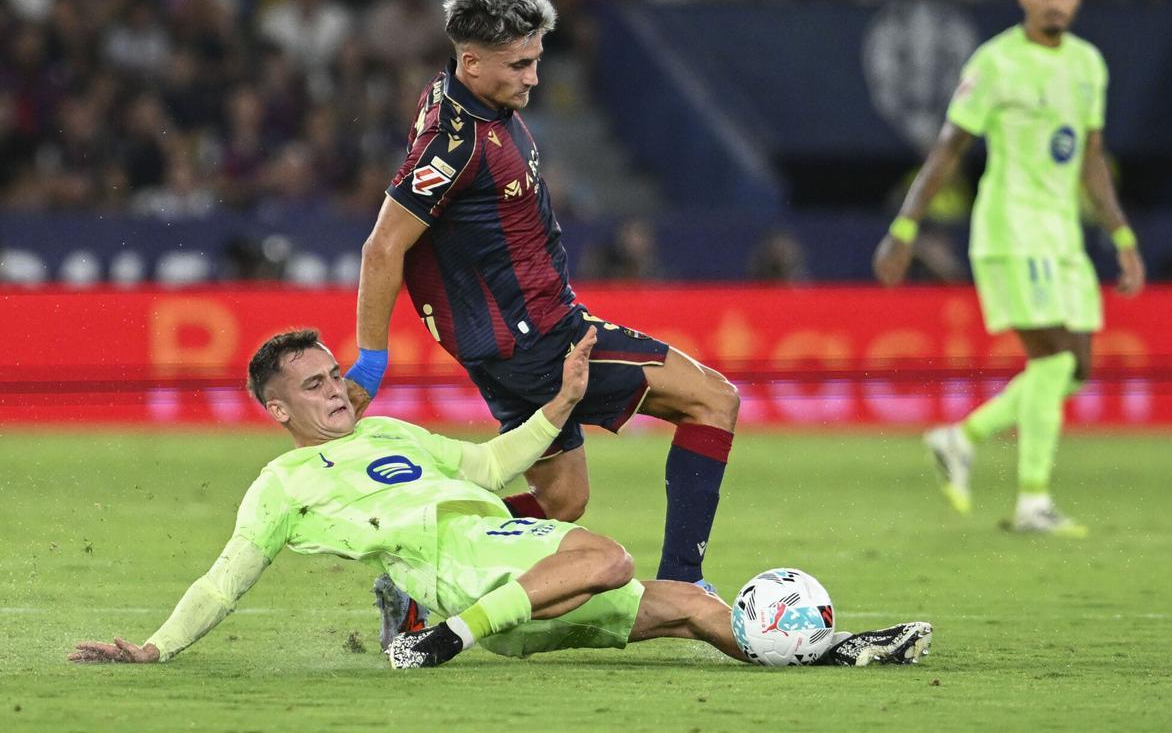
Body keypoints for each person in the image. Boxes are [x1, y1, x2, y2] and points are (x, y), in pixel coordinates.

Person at [69, 327, 933, 669]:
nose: (336, 391)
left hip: (511, 577)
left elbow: (486, 467)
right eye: (315, 385)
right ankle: (442, 638)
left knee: (690, 608)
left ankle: (836, 652)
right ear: (277, 408)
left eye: (335, 375)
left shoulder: (389, 432)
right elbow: (224, 580)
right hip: (455, 568)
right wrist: (154, 648)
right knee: (608, 556)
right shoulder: (281, 485)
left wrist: (561, 406)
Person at [346, 0, 739, 596]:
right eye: (519, 65)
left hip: (512, 341)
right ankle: (683, 585)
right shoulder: (453, 145)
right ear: (472, 62)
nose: (533, 77)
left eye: (536, 59)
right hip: (541, 341)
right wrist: (371, 362)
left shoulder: (459, 96)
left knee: (562, 501)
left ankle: (415, 567)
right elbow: (382, 247)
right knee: (714, 400)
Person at [872, 0, 1146, 536]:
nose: (1054, 1)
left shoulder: (1088, 64)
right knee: (1055, 359)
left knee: (1077, 368)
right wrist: (904, 226)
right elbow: (948, 148)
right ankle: (1033, 502)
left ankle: (961, 437)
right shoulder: (995, 62)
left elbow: (1091, 156)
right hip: (1014, 230)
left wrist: (1121, 234)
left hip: (1063, 235)